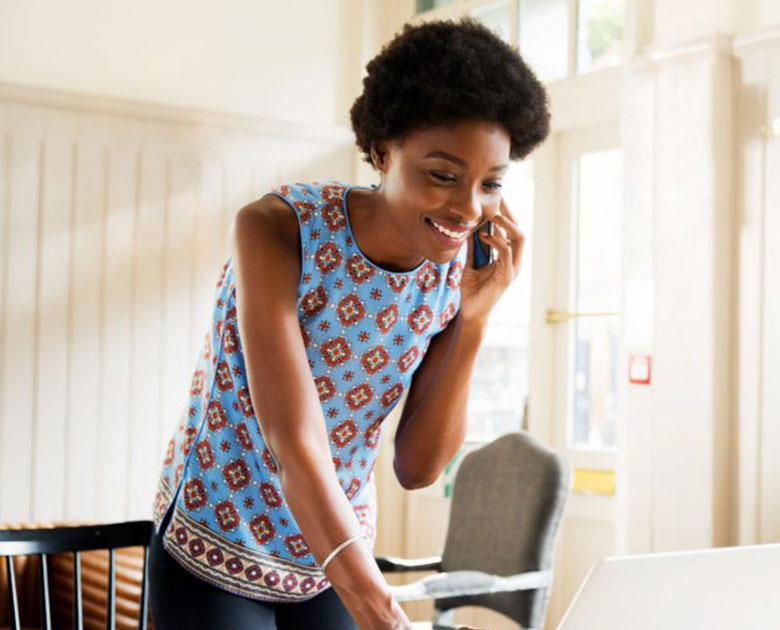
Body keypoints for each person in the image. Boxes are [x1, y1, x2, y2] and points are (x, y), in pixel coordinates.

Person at [146, 18, 550, 630]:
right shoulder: (278, 229)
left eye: (490, 184)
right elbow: (297, 445)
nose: (469, 207)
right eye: (443, 174)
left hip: (329, 554)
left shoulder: (452, 272)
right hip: (218, 536)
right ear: (383, 151)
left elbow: (417, 469)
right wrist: (381, 607)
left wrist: (473, 320)